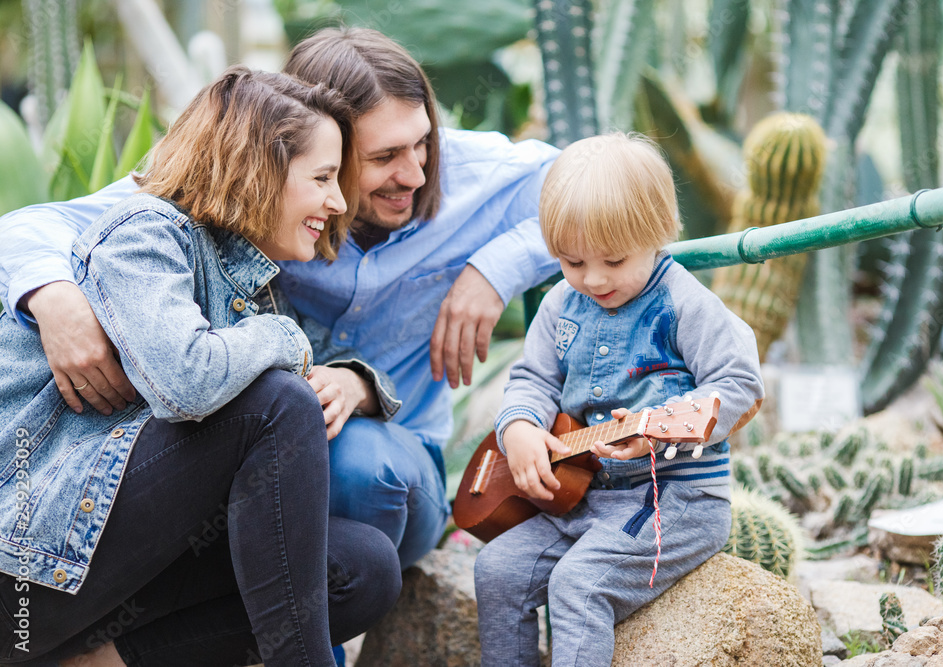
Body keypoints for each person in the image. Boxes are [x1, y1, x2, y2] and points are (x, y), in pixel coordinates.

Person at [0, 27, 562, 570]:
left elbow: (617, 194)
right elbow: (35, 226)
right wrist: (55, 299)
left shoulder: (477, 175)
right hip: (257, 465)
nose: (414, 172)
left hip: (393, 461)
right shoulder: (256, 184)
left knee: (351, 467)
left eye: (424, 142)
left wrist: (491, 271)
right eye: (385, 155)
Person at [0, 67, 401, 666]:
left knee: (360, 566)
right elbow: (189, 382)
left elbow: (306, 358)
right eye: (321, 178)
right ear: (259, 169)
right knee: (277, 403)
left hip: (95, 580)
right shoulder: (145, 236)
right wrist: (282, 339)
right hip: (25, 566)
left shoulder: (246, 279)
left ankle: (95, 660)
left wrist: (355, 381)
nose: (338, 202)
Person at [473, 133, 766, 666]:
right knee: (497, 571)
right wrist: (518, 426)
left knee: (579, 587)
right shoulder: (562, 304)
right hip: (583, 496)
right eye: (572, 261)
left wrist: (659, 426)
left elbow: (739, 383)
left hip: (674, 503)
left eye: (612, 259)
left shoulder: (684, 304)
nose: (593, 278)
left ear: (657, 232)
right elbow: (532, 379)